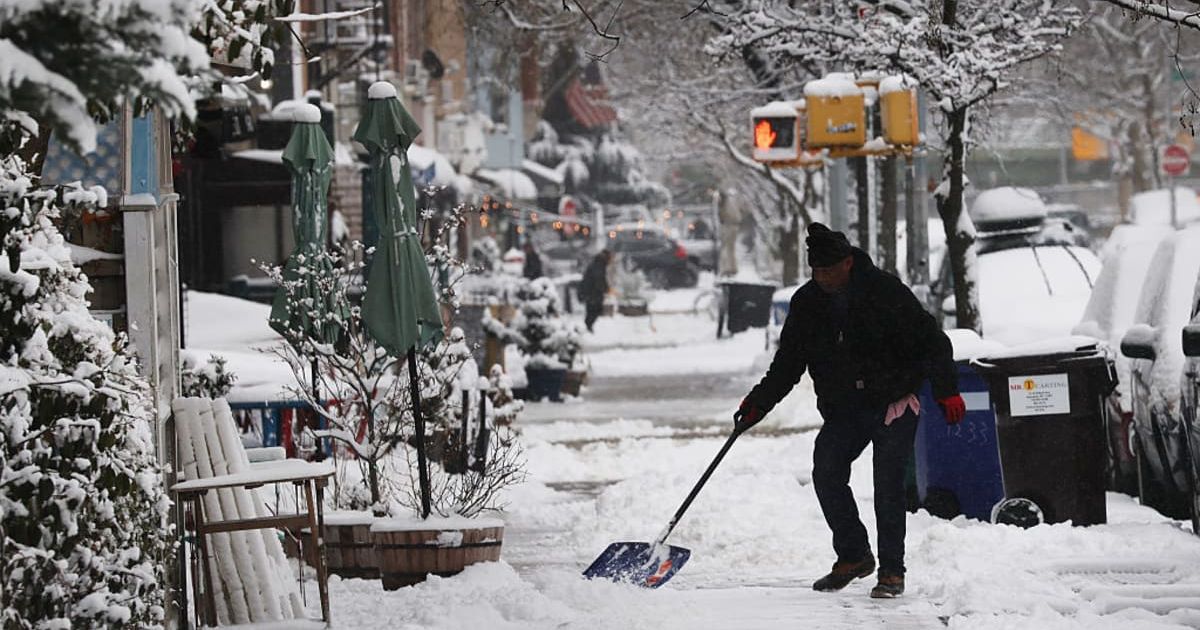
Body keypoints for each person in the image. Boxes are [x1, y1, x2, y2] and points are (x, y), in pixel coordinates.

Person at [734, 223, 964, 599]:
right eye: (816, 271)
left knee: (888, 485)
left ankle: (892, 572)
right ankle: (854, 555)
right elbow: (788, 363)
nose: (823, 278)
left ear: (848, 263)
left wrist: (947, 391)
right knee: (826, 471)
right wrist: (758, 403)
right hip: (845, 408)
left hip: (893, 402)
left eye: (829, 270)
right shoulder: (807, 303)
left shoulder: (885, 291)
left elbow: (932, 342)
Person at [578, 250, 612, 332]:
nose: (610, 260)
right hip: (592, 293)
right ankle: (588, 327)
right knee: (595, 310)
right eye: (610, 258)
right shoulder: (599, 265)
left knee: (593, 310)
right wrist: (606, 289)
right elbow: (599, 279)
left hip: (591, 292)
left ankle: (588, 327)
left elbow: (601, 279)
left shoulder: (598, 264)